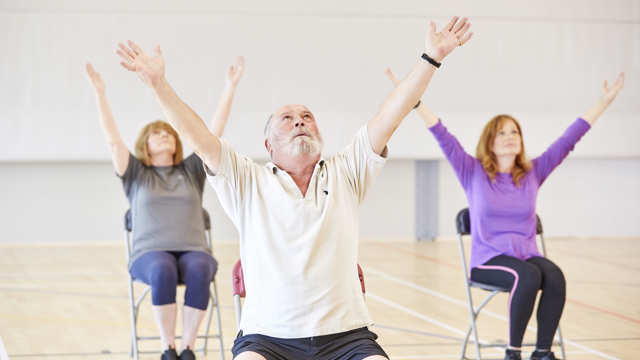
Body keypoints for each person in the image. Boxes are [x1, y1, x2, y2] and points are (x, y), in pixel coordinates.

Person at [115, 16, 472, 360]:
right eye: (287, 119)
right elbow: (199, 135)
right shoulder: (247, 180)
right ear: (268, 145)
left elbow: (392, 113)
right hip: (267, 339)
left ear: (319, 136)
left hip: (347, 338)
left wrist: (432, 58)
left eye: (307, 117)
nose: (299, 120)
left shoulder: (347, 171)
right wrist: (159, 85)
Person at [385, 68, 624, 360]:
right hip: (488, 260)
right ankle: (513, 353)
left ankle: (542, 353)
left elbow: (569, 138)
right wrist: (415, 100)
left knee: (554, 275)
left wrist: (605, 102)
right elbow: (440, 132)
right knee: (527, 275)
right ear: (490, 140)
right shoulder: (471, 170)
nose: (510, 137)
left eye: (515, 132)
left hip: (526, 257)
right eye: (502, 132)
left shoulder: (533, 172)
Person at [85, 56, 245, 360]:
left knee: (200, 267)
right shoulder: (135, 173)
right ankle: (167, 348)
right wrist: (100, 94)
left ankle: (187, 349)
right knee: (162, 269)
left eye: (168, 132)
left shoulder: (191, 170)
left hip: (192, 251)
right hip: (149, 256)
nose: (165, 135)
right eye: (157, 133)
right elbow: (113, 141)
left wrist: (230, 87)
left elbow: (213, 133)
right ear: (146, 143)